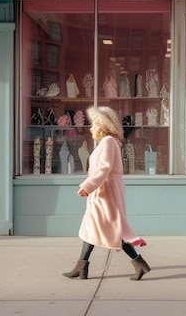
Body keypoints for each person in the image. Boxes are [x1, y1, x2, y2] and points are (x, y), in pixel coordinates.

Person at [63, 105, 151, 281]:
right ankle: (82, 266)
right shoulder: (107, 142)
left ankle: (138, 263)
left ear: (103, 126)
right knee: (94, 227)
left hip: (105, 192)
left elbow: (104, 169)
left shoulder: (108, 142)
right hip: (103, 191)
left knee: (110, 228)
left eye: (94, 125)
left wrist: (88, 186)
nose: (91, 128)